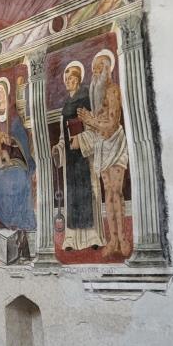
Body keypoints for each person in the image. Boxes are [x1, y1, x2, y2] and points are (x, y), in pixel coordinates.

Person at [76, 50, 131, 257]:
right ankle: (112, 239)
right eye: (94, 69)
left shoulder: (112, 90)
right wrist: (88, 119)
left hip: (115, 144)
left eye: (100, 67)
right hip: (102, 146)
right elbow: (99, 123)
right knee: (108, 193)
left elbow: (112, 123)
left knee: (116, 192)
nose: (96, 72)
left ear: (108, 69)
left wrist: (91, 120)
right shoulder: (97, 97)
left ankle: (122, 238)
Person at [54, 62, 104, 251]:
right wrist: (59, 148)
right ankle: (72, 240)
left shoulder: (85, 101)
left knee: (89, 193)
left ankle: (93, 238)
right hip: (70, 160)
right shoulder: (65, 107)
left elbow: (94, 131)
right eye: (67, 79)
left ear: (78, 80)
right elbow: (63, 136)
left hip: (84, 156)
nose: (69, 82)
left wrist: (80, 140)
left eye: (72, 79)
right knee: (72, 196)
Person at [0, 77, 36, 233]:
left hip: (14, 154)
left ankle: (15, 219)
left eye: (2, 92)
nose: (0, 96)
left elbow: (22, 137)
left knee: (17, 175)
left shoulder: (13, 116)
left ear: (6, 94)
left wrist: (10, 139)